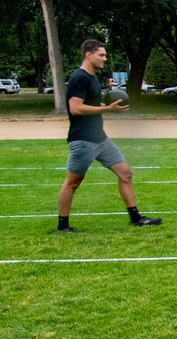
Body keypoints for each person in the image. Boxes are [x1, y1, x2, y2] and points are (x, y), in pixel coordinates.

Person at [54, 40, 162, 233]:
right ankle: (62, 226)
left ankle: (136, 218)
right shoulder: (80, 77)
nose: (105, 58)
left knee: (125, 173)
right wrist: (108, 109)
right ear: (88, 54)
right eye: (101, 55)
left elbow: (88, 106)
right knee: (72, 182)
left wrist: (108, 109)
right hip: (83, 140)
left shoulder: (93, 77)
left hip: (100, 138)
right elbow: (75, 108)